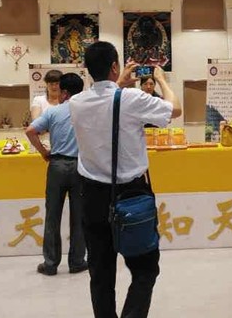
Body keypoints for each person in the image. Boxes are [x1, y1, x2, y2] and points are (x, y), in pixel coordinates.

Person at [70, 42, 181, 318]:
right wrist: (161, 80)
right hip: (131, 194)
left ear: (87, 69)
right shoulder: (132, 98)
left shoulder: (76, 102)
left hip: (92, 195)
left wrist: (117, 83)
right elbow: (174, 109)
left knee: (100, 272)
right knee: (145, 268)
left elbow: (105, 102)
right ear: (114, 66)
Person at [25, 72, 88, 276]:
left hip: (57, 165)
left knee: (52, 215)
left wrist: (43, 152)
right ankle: (77, 261)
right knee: (79, 216)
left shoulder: (53, 112)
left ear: (65, 93)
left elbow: (30, 131)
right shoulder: (87, 111)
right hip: (80, 167)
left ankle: (50, 263)